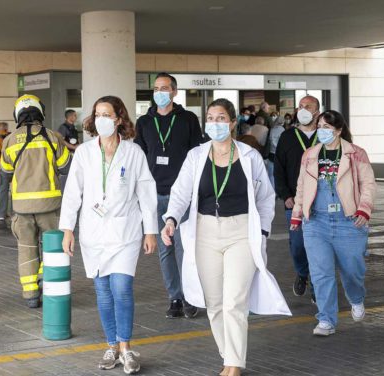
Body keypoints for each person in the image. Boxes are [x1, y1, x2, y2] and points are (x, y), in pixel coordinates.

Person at [161, 98, 290, 376]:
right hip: (205, 232)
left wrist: (263, 231)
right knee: (215, 303)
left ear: (232, 123)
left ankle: (233, 366)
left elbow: (266, 198)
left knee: (234, 301)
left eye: (221, 118)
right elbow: (181, 192)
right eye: (210, 118)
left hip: (241, 233)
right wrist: (170, 218)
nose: (214, 123)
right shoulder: (196, 156)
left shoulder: (249, 156)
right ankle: (228, 356)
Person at [60, 95, 157, 375]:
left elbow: (146, 193)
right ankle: (111, 345)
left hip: (125, 230)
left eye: (107, 114)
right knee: (103, 293)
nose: (102, 119)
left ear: (118, 118)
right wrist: (68, 230)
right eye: (97, 114)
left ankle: (126, 349)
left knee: (122, 290)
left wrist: (150, 230)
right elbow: (72, 193)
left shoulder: (133, 152)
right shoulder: (84, 153)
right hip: (93, 231)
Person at [290, 110, 376, 336]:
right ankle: (326, 319)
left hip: (349, 221)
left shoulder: (356, 154)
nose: (323, 131)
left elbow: (368, 184)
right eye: (320, 127)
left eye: (328, 128)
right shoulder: (309, 154)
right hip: (316, 222)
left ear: (339, 130)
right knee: (320, 273)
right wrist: (297, 213)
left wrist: (364, 209)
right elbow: (301, 185)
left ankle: (356, 298)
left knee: (352, 271)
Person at [134, 72, 203, 319]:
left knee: (185, 249)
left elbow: (198, 153)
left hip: (181, 195)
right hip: (154, 195)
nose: (160, 92)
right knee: (165, 250)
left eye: (165, 88)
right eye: (156, 88)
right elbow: (138, 157)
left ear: (174, 91)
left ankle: (189, 297)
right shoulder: (144, 122)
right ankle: (174, 297)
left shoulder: (187, 119)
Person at [0, 94, 71, 308]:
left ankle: (30, 294)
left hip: (22, 207)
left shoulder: (9, 141)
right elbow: (66, 167)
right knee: (53, 248)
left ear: (17, 114)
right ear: (40, 111)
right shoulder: (52, 136)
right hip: (50, 205)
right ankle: (48, 281)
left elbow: (5, 173)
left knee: (27, 248)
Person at [274, 95, 320, 301]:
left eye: (308, 106)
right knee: (298, 244)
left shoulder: (325, 135)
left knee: (320, 247)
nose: (303, 109)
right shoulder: (287, 136)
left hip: (322, 202)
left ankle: (317, 287)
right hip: (295, 203)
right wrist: (285, 196)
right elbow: (279, 169)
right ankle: (303, 273)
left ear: (317, 111)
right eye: (300, 106)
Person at [266, 115, 286, 190]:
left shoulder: (272, 129)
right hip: (279, 153)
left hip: (271, 153)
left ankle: (272, 191)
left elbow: (270, 140)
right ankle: (279, 190)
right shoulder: (282, 129)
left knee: (271, 174)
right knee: (279, 174)